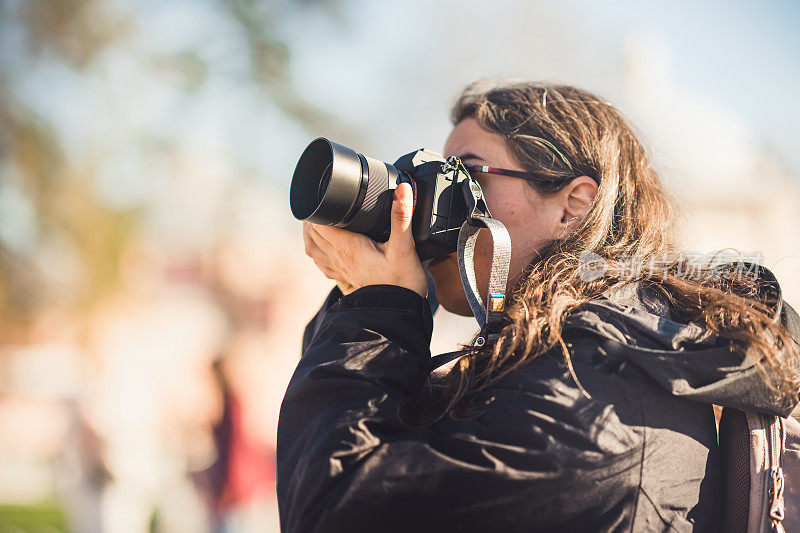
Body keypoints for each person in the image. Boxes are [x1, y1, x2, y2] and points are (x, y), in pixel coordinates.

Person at [276, 80, 800, 532]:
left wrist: (379, 308)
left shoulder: (604, 383)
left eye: (465, 173)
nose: (434, 198)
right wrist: (365, 298)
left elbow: (334, 510)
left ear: (573, 206)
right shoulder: (538, 362)